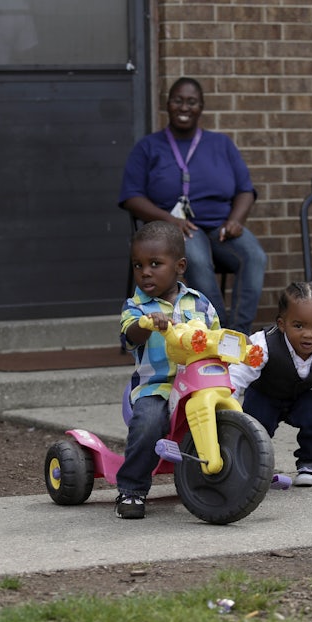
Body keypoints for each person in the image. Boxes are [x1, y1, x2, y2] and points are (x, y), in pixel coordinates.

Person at [118, 76, 266, 334]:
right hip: (177, 228)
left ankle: (239, 333)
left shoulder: (221, 144)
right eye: (178, 100)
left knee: (254, 256)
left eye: (192, 102)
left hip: (221, 226)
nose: (184, 107)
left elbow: (245, 190)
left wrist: (236, 221)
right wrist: (169, 219)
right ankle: (218, 332)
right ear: (168, 104)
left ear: (201, 107)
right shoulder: (148, 147)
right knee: (195, 259)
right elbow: (131, 196)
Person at [116, 220, 220, 518]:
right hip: (158, 387)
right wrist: (146, 325)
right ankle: (132, 489)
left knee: (234, 411)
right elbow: (129, 336)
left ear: (180, 266)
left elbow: (216, 336)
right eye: (138, 265)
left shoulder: (200, 304)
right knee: (148, 422)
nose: (145, 272)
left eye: (155, 264)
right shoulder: (136, 307)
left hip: (201, 385)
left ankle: (237, 470)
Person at [229, 282, 312, 487]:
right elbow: (237, 376)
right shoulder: (262, 344)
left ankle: (311, 462)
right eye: (299, 326)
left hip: (304, 396)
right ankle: (249, 463)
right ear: (282, 324)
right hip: (265, 395)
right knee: (254, 427)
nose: (309, 334)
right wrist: (227, 405)